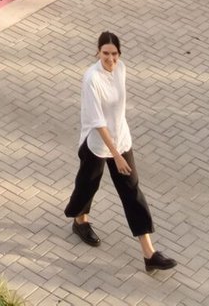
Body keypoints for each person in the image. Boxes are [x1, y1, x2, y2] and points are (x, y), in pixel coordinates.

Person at [63, 30, 178, 272]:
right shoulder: (91, 78)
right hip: (97, 143)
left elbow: (117, 111)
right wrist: (115, 156)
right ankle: (79, 219)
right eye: (105, 54)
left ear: (120, 53)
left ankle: (149, 254)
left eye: (114, 54)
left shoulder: (121, 69)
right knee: (88, 185)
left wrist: (119, 149)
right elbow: (98, 121)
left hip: (121, 140)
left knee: (132, 192)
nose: (111, 59)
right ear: (98, 52)